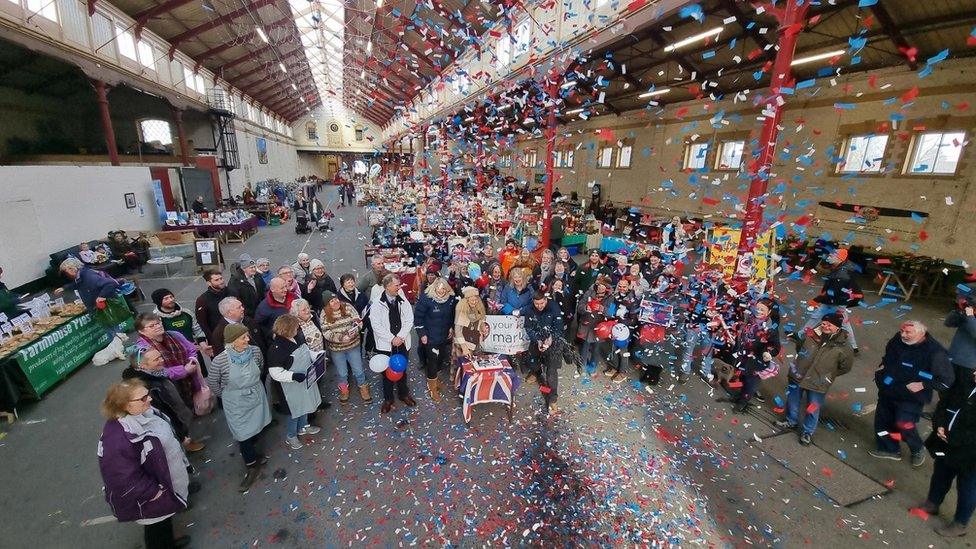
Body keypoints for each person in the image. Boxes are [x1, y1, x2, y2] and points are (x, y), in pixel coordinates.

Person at [97, 380, 191, 549]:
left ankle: (168, 543)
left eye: (147, 394)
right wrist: (155, 492)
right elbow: (121, 478)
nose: (149, 399)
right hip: (153, 495)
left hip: (164, 485)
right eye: (143, 398)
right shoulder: (117, 440)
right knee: (156, 527)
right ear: (126, 406)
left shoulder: (141, 413)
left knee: (163, 521)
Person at [871, 321, 955, 466]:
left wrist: (923, 384)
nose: (903, 335)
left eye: (908, 333)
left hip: (911, 397)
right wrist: (882, 367)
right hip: (888, 389)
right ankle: (890, 449)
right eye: (902, 331)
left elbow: (946, 380)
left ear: (922, 333)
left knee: (904, 423)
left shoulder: (936, 352)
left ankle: (917, 448)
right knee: (883, 420)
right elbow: (889, 353)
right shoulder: (899, 338)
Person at [208, 323, 272, 492]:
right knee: (242, 434)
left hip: (255, 393)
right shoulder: (220, 360)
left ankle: (254, 452)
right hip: (235, 400)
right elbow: (213, 382)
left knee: (257, 425)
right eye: (243, 337)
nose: (247, 339)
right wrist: (227, 395)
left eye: (247, 336)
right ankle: (251, 465)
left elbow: (260, 366)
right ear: (232, 341)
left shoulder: (255, 352)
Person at [775, 313, 854, 445]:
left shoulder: (844, 346)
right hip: (798, 374)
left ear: (838, 327)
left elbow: (845, 366)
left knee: (813, 407)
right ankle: (791, 421)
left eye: (830, 325)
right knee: (793, 399)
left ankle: (807, 432)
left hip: (819, 382)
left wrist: (829, 374)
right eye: (824, 323)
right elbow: (800, 347)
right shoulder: (810, 334)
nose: (825, 327)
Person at [918, 367, 976, 538]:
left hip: (970, 453)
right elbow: (944, 402)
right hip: (947, 443)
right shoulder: (964, 380)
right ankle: (933, 502)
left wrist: (953, 437)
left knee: (968, 486)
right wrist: (940, 424)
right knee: (941, 473)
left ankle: (960, 523)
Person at [122, 347, 205, 453]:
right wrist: (181, 435)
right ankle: (186, 445)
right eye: (156, 359)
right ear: (142, 366)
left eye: (160, 356)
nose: (162, 360)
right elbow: (166, 414)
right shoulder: (149, 388)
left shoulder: (155, 374)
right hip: (172, 427)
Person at [134, 313, 210, 415]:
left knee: (198, 407)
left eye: (158, 323)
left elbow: (191, 349)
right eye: (152, 326)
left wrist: (191, 360)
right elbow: (153, 370)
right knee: (179, 411)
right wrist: (184, 370)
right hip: (169, 387)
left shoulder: (174, 335)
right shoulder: (142, 350)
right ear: (141, 331)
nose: (158, 326)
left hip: (189, 380)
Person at [267, 314, 322, 450]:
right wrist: (292, 376)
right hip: (290, 388)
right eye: (295, 327)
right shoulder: (276, 349)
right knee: (294, 412)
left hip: (304, 380)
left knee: (305, 405)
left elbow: (306, 352)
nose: (298, 328)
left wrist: (316, 355)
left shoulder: (296, 338)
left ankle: (303, 427)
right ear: (287, 329)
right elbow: (275, 372)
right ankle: (291, 435)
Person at [799, 248, 862, 353]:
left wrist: (816, 300)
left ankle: (801, 335)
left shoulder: (842, 274)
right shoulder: (841, 267)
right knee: (839, 322)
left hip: (836, 301)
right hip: (837, 301)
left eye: (832, 256)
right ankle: (853, 346)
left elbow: (832, 291)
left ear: (839, 258)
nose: (829, 257)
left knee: (821, 317)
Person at [369, 274, 416, 413]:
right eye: (396, 285)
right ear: (387, 286)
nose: (399, 287)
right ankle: (388, 398)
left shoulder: (402, 299)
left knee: (402, 369)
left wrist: (400, 336)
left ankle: (403, 394)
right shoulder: (377, 303)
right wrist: (391, 338)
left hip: (401, 342)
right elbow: (376, 326)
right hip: (386, 345)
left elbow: (409, 318)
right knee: (386, 372)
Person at [727, 298, 782, 413]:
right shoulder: (748, 317)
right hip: (742, 355)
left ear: (769, 312)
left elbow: (775, 345)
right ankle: (740, 395)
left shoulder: (771, 327)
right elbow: (739, 329)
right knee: (742, 376)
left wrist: (769, 352)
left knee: (751, 381)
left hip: (756, 359)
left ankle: (743, 402)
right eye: (757, 308)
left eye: (763, 309)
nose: (759, 311)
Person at [320, 291, 370, 404]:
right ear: (327, 304)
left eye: (336, 299)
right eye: (332, 301)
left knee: (358, 370)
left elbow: (358, 321)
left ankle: (363, 387)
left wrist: (355, 330)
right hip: (337, 350)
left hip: (353, 346)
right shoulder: (324, 314)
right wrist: (341, 338)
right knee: (342, 373)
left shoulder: (347, 307)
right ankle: (344, 390)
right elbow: (326, 332)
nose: (336, 302)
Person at [414, 278, 458, 402]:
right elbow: (418, 318)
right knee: (432, 361)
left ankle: (436, 379)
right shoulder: (426, 299)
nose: (442, 291)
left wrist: (450, 327)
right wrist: (422, 334)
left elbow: (451, 315)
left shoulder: (450, 299)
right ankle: (432, 387)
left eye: (444, 288)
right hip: (430, 337)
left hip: (443, 336)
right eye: (439, 289)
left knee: (440, 359)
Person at [524, 291, 564, 415]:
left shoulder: (554, 307)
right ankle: (536, 373)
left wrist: (551, 339)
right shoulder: (530, 310)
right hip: (538, 340)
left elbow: (559, 327)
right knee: (533, 362)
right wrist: (538, 340)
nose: (539, 306)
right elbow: (528, 328)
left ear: (546, 300)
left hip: (553, 341)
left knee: (551, 371)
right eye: (537, 304)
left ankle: (553, 400)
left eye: (542, 303)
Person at [290, 298, 331, 411]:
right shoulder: (294, 325)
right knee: (309, 383)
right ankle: (311, 409)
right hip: (306, 359)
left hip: (319, 354)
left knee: (318, 379)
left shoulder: (313, 317)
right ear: (296, 313)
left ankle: (317, 402)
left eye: (308, 307)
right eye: (304, 310)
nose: (308, 310)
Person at [151, 289, 211, 362]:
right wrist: (187, 347)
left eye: (171, 297)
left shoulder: (186, 313)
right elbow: (158, 340)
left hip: (194, 352)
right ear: (158, 302)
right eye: (166, 298)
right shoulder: (156, 319)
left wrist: (204, 346)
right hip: (174, 356)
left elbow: (197, 330)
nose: (170, 300)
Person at [603, 278, 639, 383]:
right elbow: (611, 310)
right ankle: (614, 367)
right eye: (620, 286)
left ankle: (623, 372)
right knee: (613, 348)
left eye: (624, 286)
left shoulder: (633, 300)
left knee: (623, 351)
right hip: (614, 327)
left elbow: (633, 319)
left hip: (625, 329)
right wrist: (609, 317)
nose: (621, 288)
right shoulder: (615, 296)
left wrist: (621, 321)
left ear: (628, 287)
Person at [576, 275, 612, 375]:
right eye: (599, 284)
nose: (600, 287)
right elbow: (579, 306)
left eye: (603, 285)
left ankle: (593, 366)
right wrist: (585, 308)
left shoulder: (611, 297)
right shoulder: (589, 293)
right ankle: (582, 365)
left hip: (600, 328)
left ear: (607, 287)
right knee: (585, 346)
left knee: (596, 348)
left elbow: (612, 313)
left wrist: (602, 309)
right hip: (587, 325)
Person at [254, 277, 298, 349]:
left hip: (297, 334)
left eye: (285, 287)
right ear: (272, 290)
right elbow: (259, 326)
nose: (285, 290)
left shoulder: (293, 297)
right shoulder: (263, 307)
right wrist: (272, 334)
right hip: (282, 342)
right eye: (281, 288)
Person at [945, 291, 976, 381]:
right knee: (945, 392)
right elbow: (949, 323)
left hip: (970, 366)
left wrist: (970, 317)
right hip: (953, 359)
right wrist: (959, 310)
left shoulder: (970, 316)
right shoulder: (970, 313)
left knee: (963, 392)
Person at [194, 268, 229, 344]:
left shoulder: (232, 292)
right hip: (218, 339)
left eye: (221, 278)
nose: (221, 281)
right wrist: (213, 340)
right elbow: (202, 323)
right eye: (216, 280)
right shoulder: (202, 300)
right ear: (209, 283)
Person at [228, 254, 266, 318]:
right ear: (244, 269)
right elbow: (235, 298)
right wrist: (246, 312)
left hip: (259, 310)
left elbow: (263, 291)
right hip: (247, 314)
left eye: (254, 267)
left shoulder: (257, 276)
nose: (254, 269)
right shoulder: (235, 281)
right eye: (251, 267)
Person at [455, 286, 487, 358]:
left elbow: (480, 321)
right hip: (462, 345)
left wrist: (483, 327)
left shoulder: (478, 310)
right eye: (472, 300)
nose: (475, 302)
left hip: (474, 343)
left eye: (476, 300)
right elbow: (458, 331)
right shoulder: (461, 311)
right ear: (467, 300)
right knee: (462, 366)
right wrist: (464, 348)